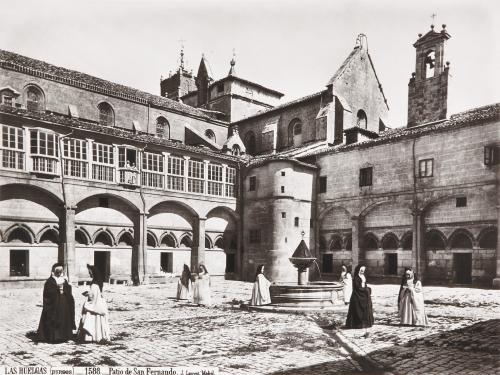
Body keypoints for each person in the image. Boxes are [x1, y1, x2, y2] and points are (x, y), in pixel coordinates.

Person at [36, 263, 76, 343]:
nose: (59, 273)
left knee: (64, 317)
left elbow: (68, 289)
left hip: (63, 302)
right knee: (55, 317)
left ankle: (65, 335)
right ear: (54, 271)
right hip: (54, 304)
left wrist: (66, 287)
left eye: (60, 271)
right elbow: (48, 293)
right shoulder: (50, 281)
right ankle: (55, 337)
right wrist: (57, 289)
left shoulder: (64, 279)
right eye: (57, 271)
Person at [77, 264, 110, 343]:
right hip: (99, 303)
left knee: (90, 319)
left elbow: (93, 296)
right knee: (98, 321)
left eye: (90, 272)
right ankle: (99, 335)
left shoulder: (94, 284)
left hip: (94, 304)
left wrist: (87, 294)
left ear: (93, 272)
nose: (89, 274)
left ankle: (90, 336)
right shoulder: (99, 282)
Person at [345, 265, 374, 337]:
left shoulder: (363, 277)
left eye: (363, 270)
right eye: (361, 270)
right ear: (358, 270)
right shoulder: (356, 278)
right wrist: (366, 290)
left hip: (364, 294)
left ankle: (366, 323)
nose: (362, 271)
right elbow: (358, 288)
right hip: (358, 295)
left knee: (366, 308)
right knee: (358, 309)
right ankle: (358, 324)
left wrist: (367, 289)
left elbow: (364, 284)